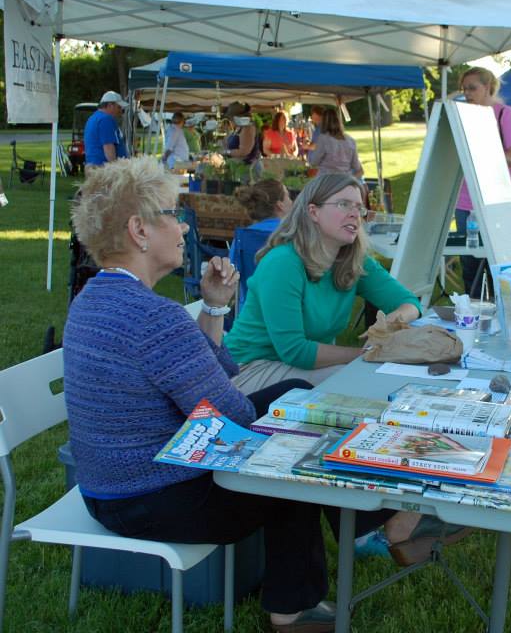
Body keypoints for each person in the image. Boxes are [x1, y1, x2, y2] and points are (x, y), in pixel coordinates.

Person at [62, 156, 361, 633]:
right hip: (155, 496)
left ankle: (371, 526)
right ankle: (292, 608)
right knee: (293, 451)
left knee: (295, 394)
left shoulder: (94, 299)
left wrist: (215, 306)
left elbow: (220, 371)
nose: (182, 226)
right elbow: (232, 412)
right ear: (140, 230)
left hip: (111, 487)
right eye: (170, 213)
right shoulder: (153, 318)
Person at [225, 172, 421, 393]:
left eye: (359, 208)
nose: (354, 214)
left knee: (381, 381)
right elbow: (296, 351)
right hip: (249, 370)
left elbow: (410, 302)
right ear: (313, 212)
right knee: (365, 384)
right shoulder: (283, 263)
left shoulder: (353, 260)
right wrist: (366, 355)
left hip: (300, 366)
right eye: (343, 205)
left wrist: (393, 320)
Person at [454, 66, 511, 298]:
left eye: (472, 88)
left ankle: (505, 318)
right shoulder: (463, 116)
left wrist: (481, 153)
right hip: (466, 201)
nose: (467, 93)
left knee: (501, 266)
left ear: (488, 87)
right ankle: (474, 320)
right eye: (464, 88)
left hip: (499, 200)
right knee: (470, 267)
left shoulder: (506, 114)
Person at [306, 106, 363, 178]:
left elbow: (313, 162)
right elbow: (358, 169)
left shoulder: (323, 139)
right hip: (345, 181)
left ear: (324, 122)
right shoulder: (350, 140)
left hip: (327, 182)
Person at [83, 91, 128, 167]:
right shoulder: (106, 119)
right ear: (110, 105)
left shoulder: (93, 118)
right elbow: (108, 147)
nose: (121, 111)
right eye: (119, 107)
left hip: (94, 166)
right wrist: (117, 169)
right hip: (104, 169)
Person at [224, 101, 261, 165]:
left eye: (232, 118)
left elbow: (244, 151)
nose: (231, 120)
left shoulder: (248, 128)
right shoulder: (239, 128)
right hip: (239, 166)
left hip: (248, 168)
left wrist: (227, 152)